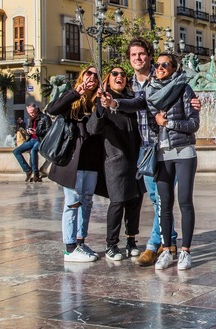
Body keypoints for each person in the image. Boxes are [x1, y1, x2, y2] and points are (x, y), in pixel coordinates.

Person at [108, 38, 201, 267]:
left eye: (141, 54)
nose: (138, 58)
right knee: (158, 198)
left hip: (169, 146)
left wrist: (192, 106)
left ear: (149, 56)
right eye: (133, 55)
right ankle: (167, 242)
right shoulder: (130, 84)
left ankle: (153, 245)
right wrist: (113, 103)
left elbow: (187, 111)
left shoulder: (167, 82)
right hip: (146, 148)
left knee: (166, 200)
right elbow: (134, 102)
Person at [147, 53, 200, 271]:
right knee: (164, 204)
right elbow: (150, 124)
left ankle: (186, 251)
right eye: (157, 65)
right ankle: (167, 250)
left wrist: (168, 123)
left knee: (185, 201)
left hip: (184, 151)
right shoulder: (151, 92)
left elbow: (193, 124)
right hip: (161, 153)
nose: (159, 68)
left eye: (164, 65)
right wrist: (156, 122)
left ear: (174, 68)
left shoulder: (184, 89)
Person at [46, 65, 103, 263]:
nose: (92, 78)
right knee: (72, 203)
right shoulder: (72, 99)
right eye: (89, 73)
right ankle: (69, 248)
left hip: (91, 159)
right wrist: (75, 92)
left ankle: (80, 241)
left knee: (87, 202)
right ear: (82, 76)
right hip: (71, 159)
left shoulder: (98, 101)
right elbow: (51, 109)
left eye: (96, 75)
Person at [90, 66, 144, 261]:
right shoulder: (103, 100)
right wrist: (100, 106)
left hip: (136, 157)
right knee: (118, 202)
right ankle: (111, 244)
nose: (119, 76)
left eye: (122, 74)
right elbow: (93, 128)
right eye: (115, 74)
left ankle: (131, 240)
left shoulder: (131, 99)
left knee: (135, 200)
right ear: (108, 79)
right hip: (115, 160)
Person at [12, 103, 51, 182]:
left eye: (32, 112)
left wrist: (37, 132)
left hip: (41, 140)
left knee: (33, 151)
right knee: (16, 151)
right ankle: (28, 170)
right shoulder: (29, 119)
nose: (31, 114)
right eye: (29, 113)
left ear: (36, 109)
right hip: (31, 140)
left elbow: (49, 131)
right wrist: (28, 131)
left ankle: (36, 174)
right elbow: (28, 130)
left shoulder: (45, 118)